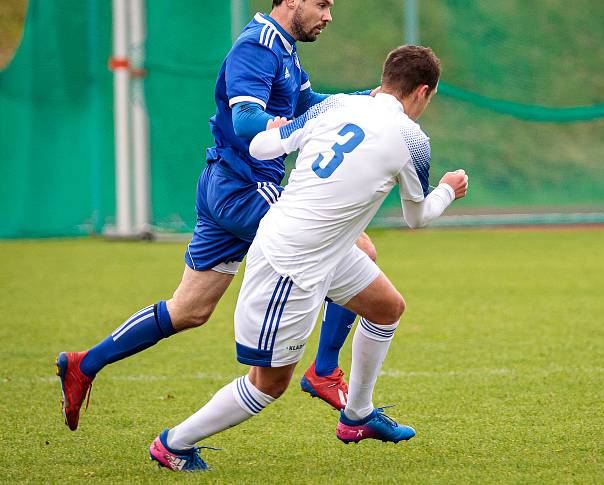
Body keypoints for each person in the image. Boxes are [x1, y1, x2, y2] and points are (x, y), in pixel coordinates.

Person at [56, 0, 373, 430]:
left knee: (189, 310)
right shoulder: (257, 48)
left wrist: (372, 101)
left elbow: (308, 104)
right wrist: (299, 130)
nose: (327, 15)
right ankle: (323, 371)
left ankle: (84, 364)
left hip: (226, 187)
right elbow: (247, 122)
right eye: (321, 4)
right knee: (358, 247)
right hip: (246, 187)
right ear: (291, 1)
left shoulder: (283, 49)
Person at [148, 45, 468, 471]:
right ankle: (173, 443)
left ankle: (357, 416)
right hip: (290, 263)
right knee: (268, 385)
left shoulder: (337, 105)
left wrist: (281, 127)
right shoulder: (413, 140)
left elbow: (262, 147)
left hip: (320, 248)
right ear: (423, 92)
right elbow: (418, 216)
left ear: (385, 77)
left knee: (386, 307)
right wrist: (447, 188)